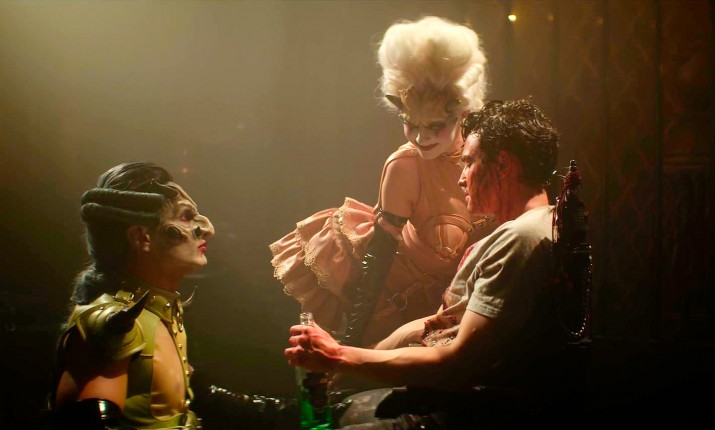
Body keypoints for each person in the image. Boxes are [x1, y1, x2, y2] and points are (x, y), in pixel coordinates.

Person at [286, 99, 566, 426]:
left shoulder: (521, 238)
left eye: (469, 162)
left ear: (503, 165)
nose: (461, 178)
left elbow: (458, 364)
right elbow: (437, 325)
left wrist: (340, 357)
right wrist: (355, 355)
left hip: (460, 410)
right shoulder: (541, 225)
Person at [270, 16, 496, 348]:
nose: (420, 137)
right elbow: (378, 262)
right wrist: (351, 345)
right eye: (410, 123)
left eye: (434, 126)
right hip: (402, 304)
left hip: (466, 305)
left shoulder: (486, 156)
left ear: (462, 112)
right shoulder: (406, 166)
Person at [49, 162, 215, 429]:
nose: (207, 229)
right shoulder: (115, 324)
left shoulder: (156, 314)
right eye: (185, 217)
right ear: (142, 237)